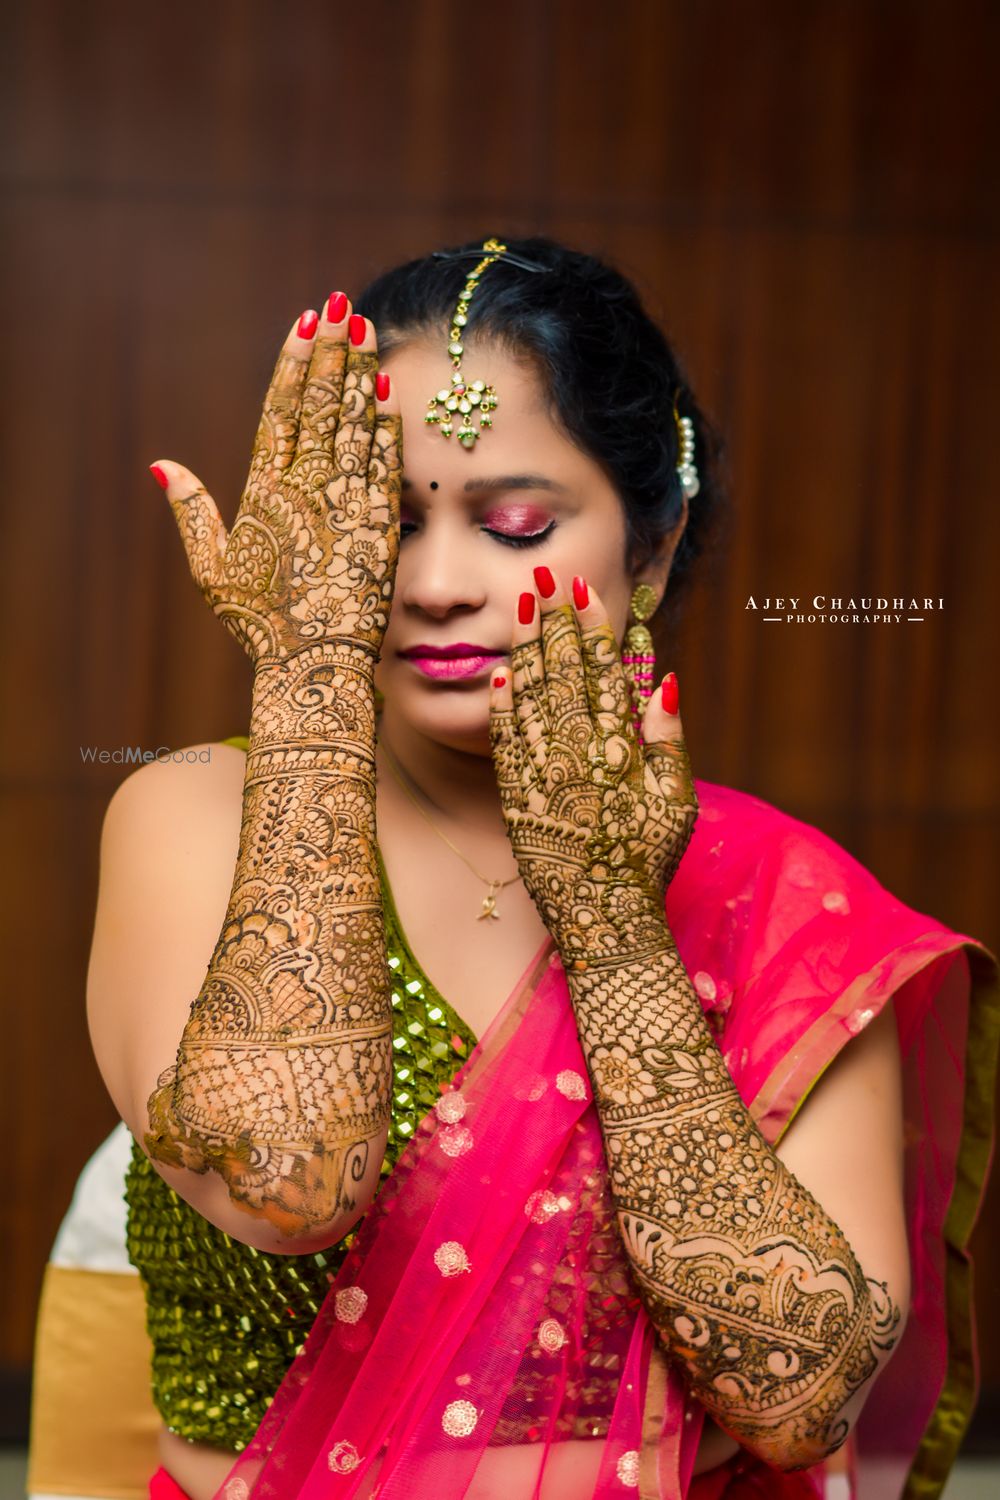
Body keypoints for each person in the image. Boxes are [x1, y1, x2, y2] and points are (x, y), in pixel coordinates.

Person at [35, 236, 997, 1500]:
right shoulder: (197, 815)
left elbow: (795, 1400)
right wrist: (311, 679)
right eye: (380, 524)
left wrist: (611, 923)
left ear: (648, 553)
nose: (432, 584)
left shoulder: (781, 896)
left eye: (514, 524)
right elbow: (284, 1190)